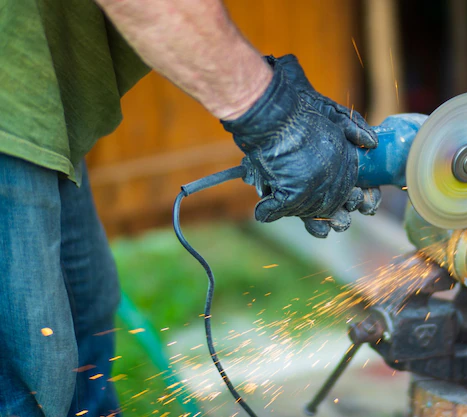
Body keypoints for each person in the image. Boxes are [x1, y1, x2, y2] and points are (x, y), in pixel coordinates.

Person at [0, 1, 381, 416]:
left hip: (35, 99)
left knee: (85, 316)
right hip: (9, 114)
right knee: (32, 374)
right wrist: (271, 115)